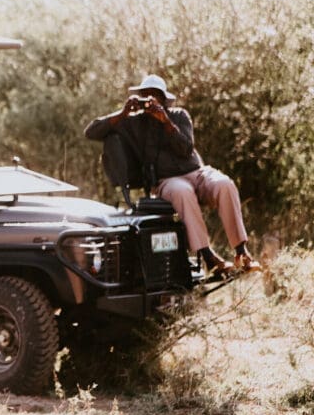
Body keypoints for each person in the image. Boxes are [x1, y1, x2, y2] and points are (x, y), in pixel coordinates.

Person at [84, 74, 260, 278]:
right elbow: (91, 132)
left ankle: (241, 251)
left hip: (196, 172)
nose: (149, 100)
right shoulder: (133, 123)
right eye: (145, 96)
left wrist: (166, 122)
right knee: (182, 192)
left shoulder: (178, 115)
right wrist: (123, 113)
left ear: (163, 99)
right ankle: (208, 255)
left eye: (154, 96)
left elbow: (186, 149)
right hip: (166, 180)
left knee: (224, 184)